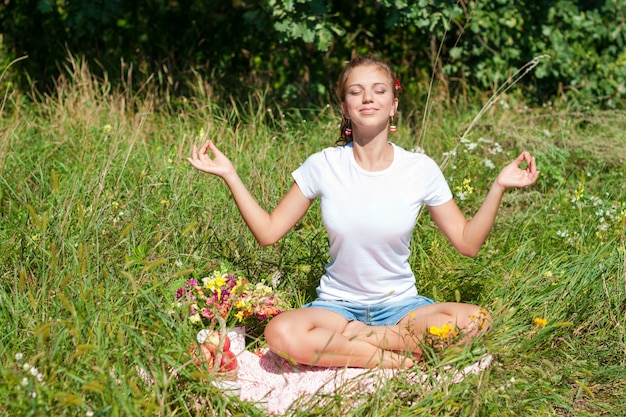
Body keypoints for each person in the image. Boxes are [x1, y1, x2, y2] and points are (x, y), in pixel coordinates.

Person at [188, 56, 539, 369]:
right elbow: (268, 233)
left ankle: (363, 346)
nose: (368, 97)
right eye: (356, 91)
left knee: (478, 322)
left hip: (403, 309)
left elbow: (467, 243)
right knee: (280, 332)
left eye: (378, 90)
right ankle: (395, 361)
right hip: (336, 309)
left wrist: (498, 187)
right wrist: (230, 175)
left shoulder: (420, 168)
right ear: (345, 107)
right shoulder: (323, 165)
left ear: (393, 105)